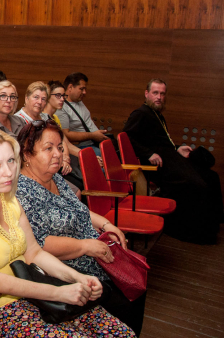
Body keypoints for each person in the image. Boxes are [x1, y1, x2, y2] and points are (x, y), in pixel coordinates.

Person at [0, 128, 134, 337]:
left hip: (32, 293)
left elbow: (34, 253)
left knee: (121, 333)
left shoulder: (8, 200)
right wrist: (58, 292)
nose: (8, 172)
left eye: (11, 161)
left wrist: (77, 277)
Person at [16, 119, 146, 335]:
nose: (57, 154)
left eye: (59, 147)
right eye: (48, 148)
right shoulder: (21, 191)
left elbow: (80, 210)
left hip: (96, 254)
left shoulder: (54, 178)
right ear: (27, 154)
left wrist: (106, 224)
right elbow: (39, 244)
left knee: (136, 285)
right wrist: (85, 246)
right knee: (125, 302)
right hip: (67, 268)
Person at [123, 79, 223, 244]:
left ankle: (213, 225)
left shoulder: (157, 115)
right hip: (155, 165)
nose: (159, 97)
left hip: (170, 158)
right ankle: (193, 232)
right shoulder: (140, 113)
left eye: (162, 94)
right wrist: (148, 153)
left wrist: (177, 148)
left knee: (211, 177)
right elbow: (126, 138)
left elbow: (161, 142)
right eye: (155, 93)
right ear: (146, 94)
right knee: (197, 185)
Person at [57, 72, 110, 156]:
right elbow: (66, 134)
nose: (84, 92)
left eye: (85, 89)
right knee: (104, 158)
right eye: (81, 89)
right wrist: (92, 135)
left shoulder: (78, 101)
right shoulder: (61, 107)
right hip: (82, 146)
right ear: (70, 87)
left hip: (95, 142)